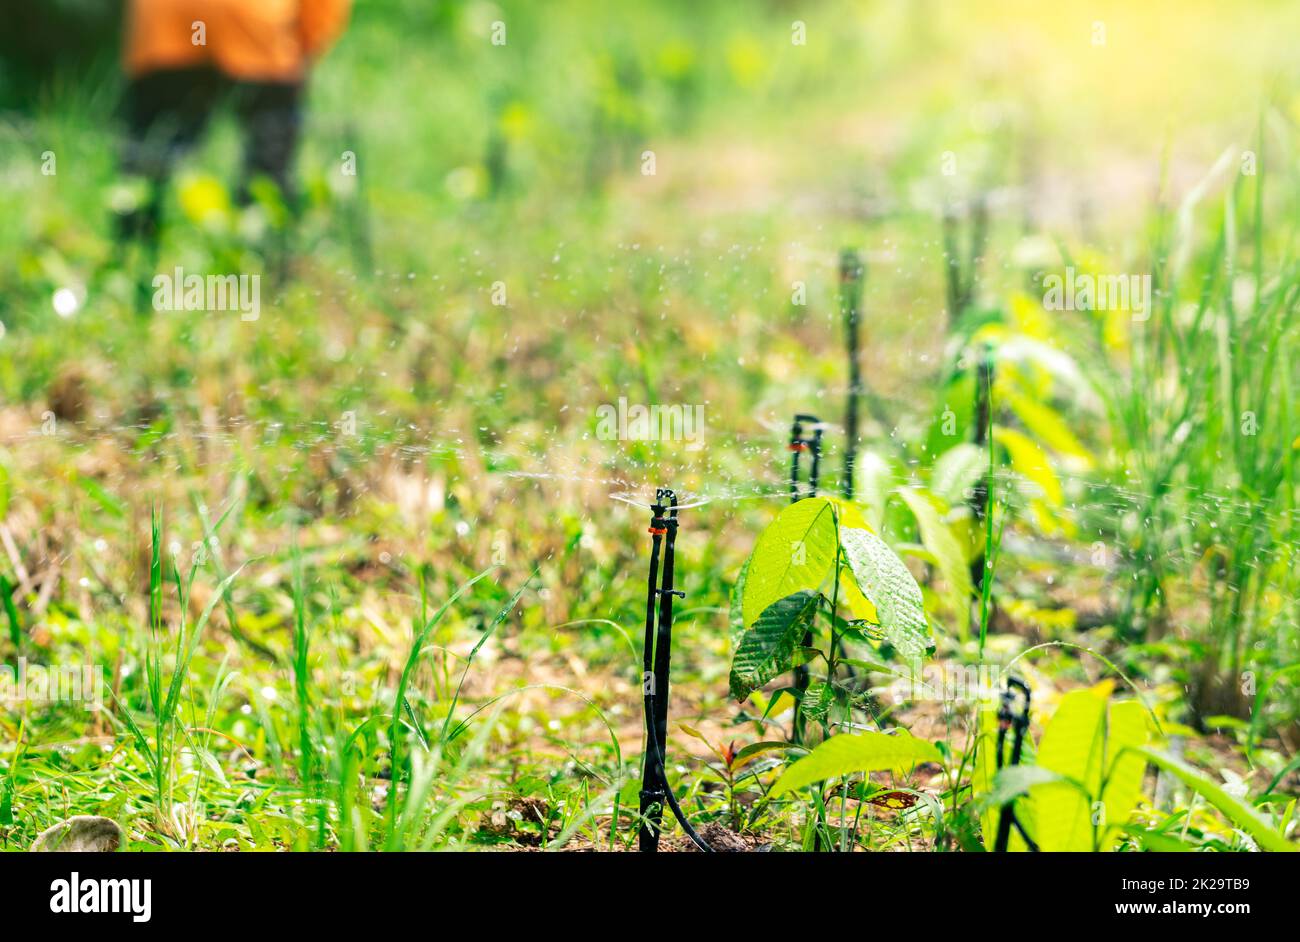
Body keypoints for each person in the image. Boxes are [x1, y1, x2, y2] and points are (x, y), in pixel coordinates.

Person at [117, 0, 351, 242]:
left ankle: (134, 248)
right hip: (253, 15)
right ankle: (260, 250)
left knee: (154, 149)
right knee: (269, 146)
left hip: (164, 14)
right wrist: (302, 46)